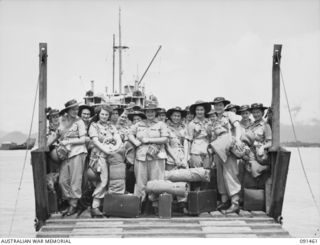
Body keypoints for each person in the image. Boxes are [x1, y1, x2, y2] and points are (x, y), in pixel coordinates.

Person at [128, 103, 169, 213]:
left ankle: (156, 206)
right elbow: (130, 133)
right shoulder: (139, 124)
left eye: (152, 111)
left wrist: (149, 140)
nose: (150, 113)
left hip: (157, 156)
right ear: (145, 113)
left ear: (156, 112)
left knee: (157, 181)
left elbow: (165, 139)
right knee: (140, 182)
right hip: (141, 156)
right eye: (147, 112)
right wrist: (135, 141)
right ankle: (138, 205)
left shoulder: (161, 124)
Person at [87, 104, 121, 217]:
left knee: (114, 180)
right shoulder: (94, 126)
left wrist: (115, 149)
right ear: (98, 114)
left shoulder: (111, 126)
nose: (104, 116)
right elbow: (95, 141)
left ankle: (108, 206)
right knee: (103, 180)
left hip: (112, 156)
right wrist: (107, 150)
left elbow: (117, 138)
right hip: (99, 156)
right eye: (102, 114)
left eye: (107, 114)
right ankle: (95, 206)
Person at [210, 97, 242, 214]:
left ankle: (235, 203)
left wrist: (237, 139)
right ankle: (224, 201)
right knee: (220, 176)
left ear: (224, 106)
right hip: (218, 150)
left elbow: (237, 126)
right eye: (216, 105)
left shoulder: (229, 115)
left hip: (228, 149)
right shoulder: (214, 119)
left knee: (230, 174)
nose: (218, 107)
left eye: (220, 105)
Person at [56, 99, 87, 216]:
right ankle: (70, 201)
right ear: (67, 110)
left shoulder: (80, 122)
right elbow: (57, 134)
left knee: (75, 180)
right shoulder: (62, 121)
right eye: (73, 109)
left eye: (76, 109)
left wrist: (69, 141)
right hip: (65, 154)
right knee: (62, 181)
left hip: (78, 152)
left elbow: (83, 139)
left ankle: (73, 205)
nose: (75, 111)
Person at [165, 106, 188, 213]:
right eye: (174, 115)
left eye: (178, 116)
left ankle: (182, 203)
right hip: (171, 156)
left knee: (183, 178)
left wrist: (185, 158)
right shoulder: (166, 128)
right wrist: (174, 158)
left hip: (182, 155)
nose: (176, 117)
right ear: (170, 116)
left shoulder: (185, 128)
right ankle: (168, 204)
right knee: (170, 178)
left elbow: (187, 143)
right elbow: (167, 145)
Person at [184, 100, 212, 171]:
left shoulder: (209, 122)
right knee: (197, 173)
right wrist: (188, 156)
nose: (199, 112)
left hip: (207, 151)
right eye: (197, 110)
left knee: (207, 173)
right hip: (196, 151)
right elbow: (189, 140)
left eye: (201, 110)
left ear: (205, 111)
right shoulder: (191, 124)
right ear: (195, 111)